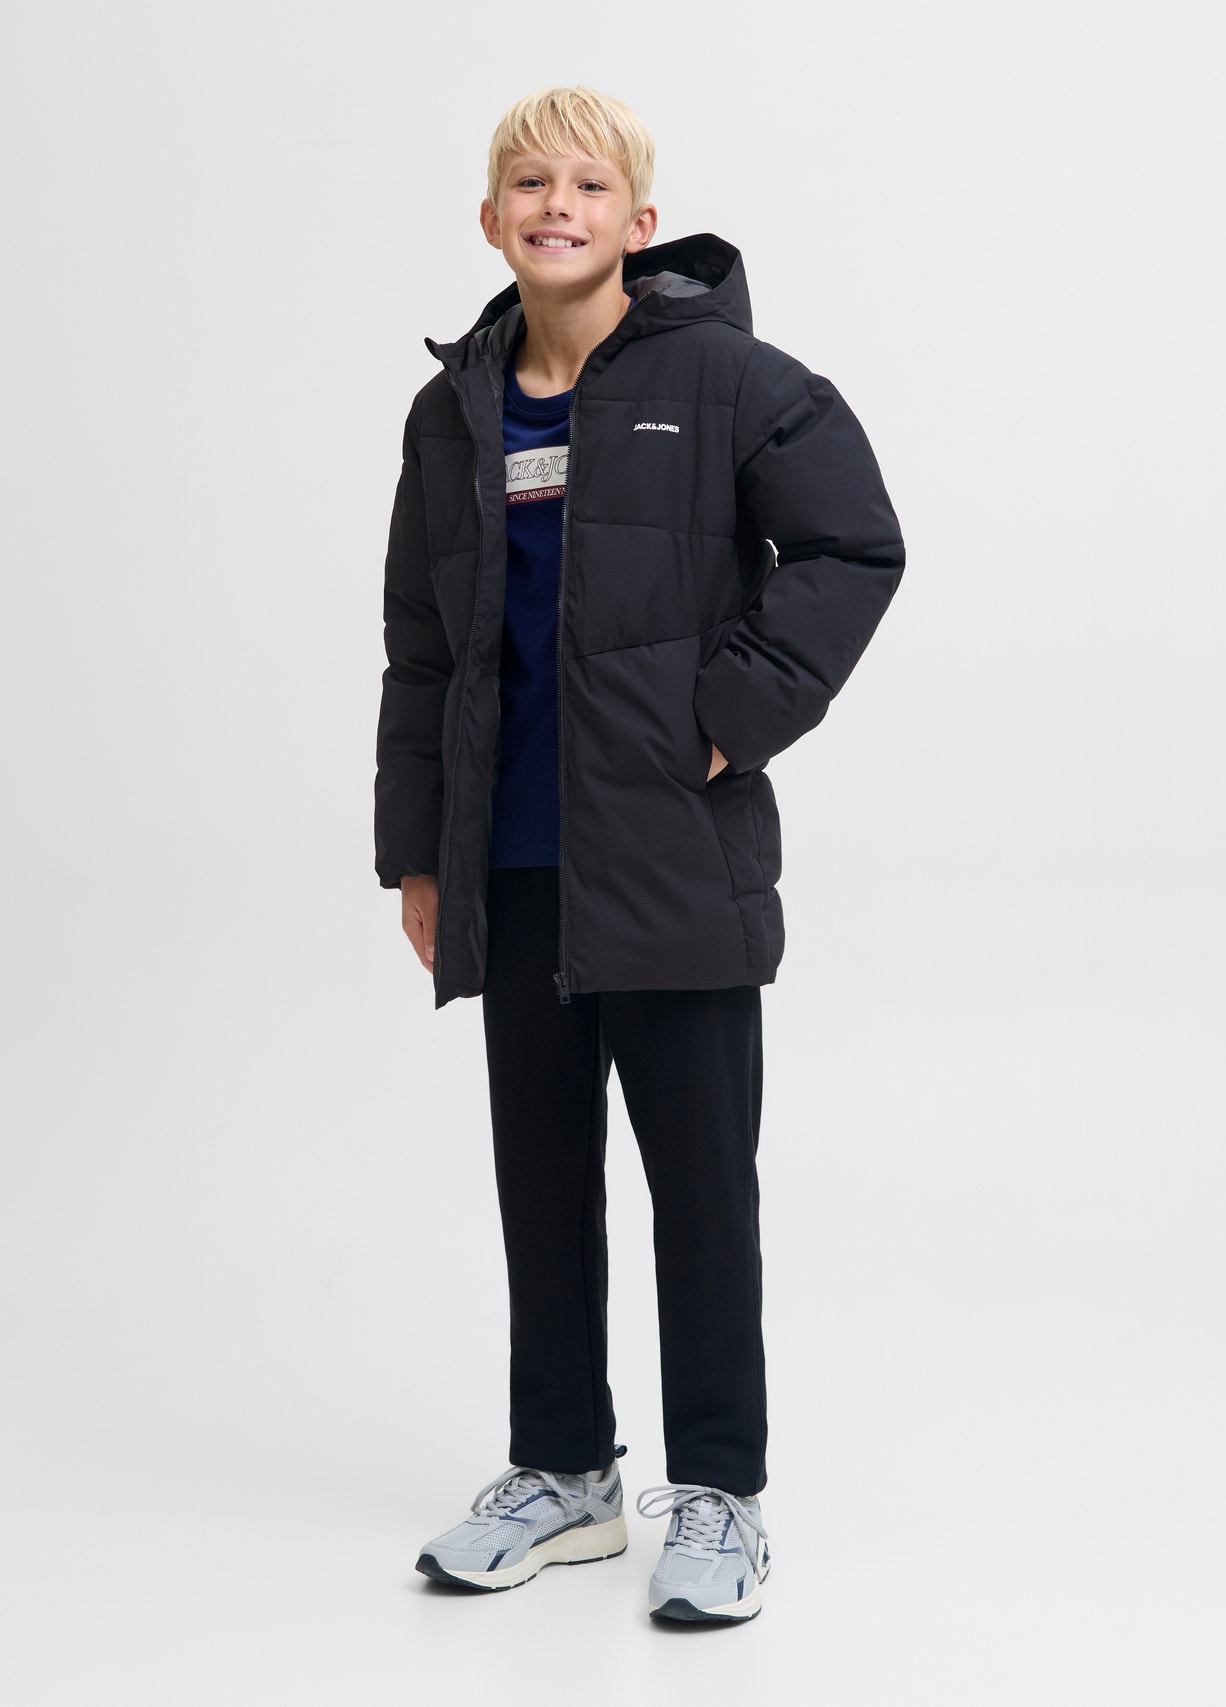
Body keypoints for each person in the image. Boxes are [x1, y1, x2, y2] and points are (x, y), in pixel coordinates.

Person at [373, 83, 906, 1624]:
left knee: (701, 1190)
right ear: (492, 220)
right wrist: (419, 853)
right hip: (514, 866)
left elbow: (856, 547)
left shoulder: (727, 380)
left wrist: (725, 722)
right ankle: (565, 1474)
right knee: (541, 1183)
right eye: (530, 184)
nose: (559, 206)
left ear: (639, 221)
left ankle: (719, 1495)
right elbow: (421, 645)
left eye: (589, 185)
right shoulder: (452, 411)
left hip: (674, 856)